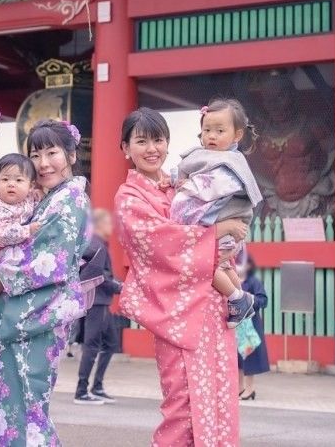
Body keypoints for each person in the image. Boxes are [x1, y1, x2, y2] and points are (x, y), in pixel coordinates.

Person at [115, 107, 243, 445]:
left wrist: (227, 236)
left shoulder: (179, 185)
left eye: (158, 140)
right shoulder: (129, 198)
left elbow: (221, 214)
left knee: (219, 392)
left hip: (212, 306)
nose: (151, 148)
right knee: (183, 403)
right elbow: (162, 244)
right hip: (177, 311)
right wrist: (218, 232)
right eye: (141, 141)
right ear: (126, 148)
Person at [0, 119, 92, 446]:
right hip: (20, 316)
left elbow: (47, 261)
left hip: (36, 318)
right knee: (7, 405)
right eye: (36, 154)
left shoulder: (69, 200)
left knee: (26, 407)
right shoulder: (47, 197)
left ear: (71, 155)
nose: (43, 163)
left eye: (52, 152)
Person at [170, 98, 263, 328]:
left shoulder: (231, 162)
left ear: (237, 135)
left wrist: (189, 186)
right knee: (223, 266)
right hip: (225, 228)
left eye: (220, 131)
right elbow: (186, 173)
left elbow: (216, 185)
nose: (211, 136)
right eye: (207, 130)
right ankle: (243, 299)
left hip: (228, 225)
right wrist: (176, 179)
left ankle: (236, 299)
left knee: (206, 266)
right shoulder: (207, 155)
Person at [74, 208, 122, 405]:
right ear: (100, 225)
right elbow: (99, 276)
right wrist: (120, 287)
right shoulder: (96, 245)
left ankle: (97, 386)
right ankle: (81, 391)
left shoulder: (96, 244)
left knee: (110, 344)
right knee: (92, 345)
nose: (112, 227)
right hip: (97, 301)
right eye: (109, 223)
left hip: (100, 301)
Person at [0, 153, 40, 298]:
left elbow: (34, 204)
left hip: (14, 253)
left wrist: (38, 194)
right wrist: (26, 230)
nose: (11, 184)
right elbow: (1, 234)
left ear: (31, 185)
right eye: (5, 179)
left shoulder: (28, 197)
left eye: (19, 180)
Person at [237, 256, 269, 400]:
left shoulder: (254, 282)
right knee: (237, 358)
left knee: (249, 357)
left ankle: (250, 388)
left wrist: (250, 298)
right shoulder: (231, 280)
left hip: (249, 325)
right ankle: (239, 387)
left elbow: (263, 300)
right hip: (234, 324)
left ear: (249, 265)